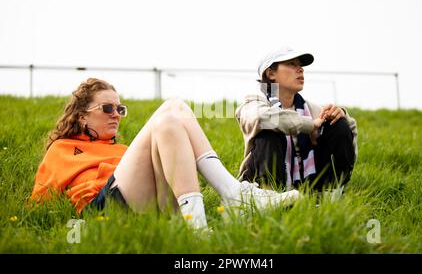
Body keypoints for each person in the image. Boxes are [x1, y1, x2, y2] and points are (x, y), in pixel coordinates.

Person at [29, 78, 300, 230]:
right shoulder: (62, 149)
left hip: (145, 207)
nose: (116, 116)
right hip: (100, 212)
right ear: (81, 117)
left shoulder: (122, 152)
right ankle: (234, 193)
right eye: (107, 109)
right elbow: (41, 206)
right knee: (173, 107)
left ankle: (198, 230)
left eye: (120, 109)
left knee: (169, 123)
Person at [235, 47, 358, 198]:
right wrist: (310, 126)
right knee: (270, 131)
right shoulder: (253, 103)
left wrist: (341, 114)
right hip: (262, 184)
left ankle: (329, 194)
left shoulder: (310, 108)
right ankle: (270, 196)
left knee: (338, 124)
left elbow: (349, 133)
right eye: (291, 64)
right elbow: (264, 118)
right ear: (270, 73)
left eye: (300, 66)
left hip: (309, 187)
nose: (300, 69)